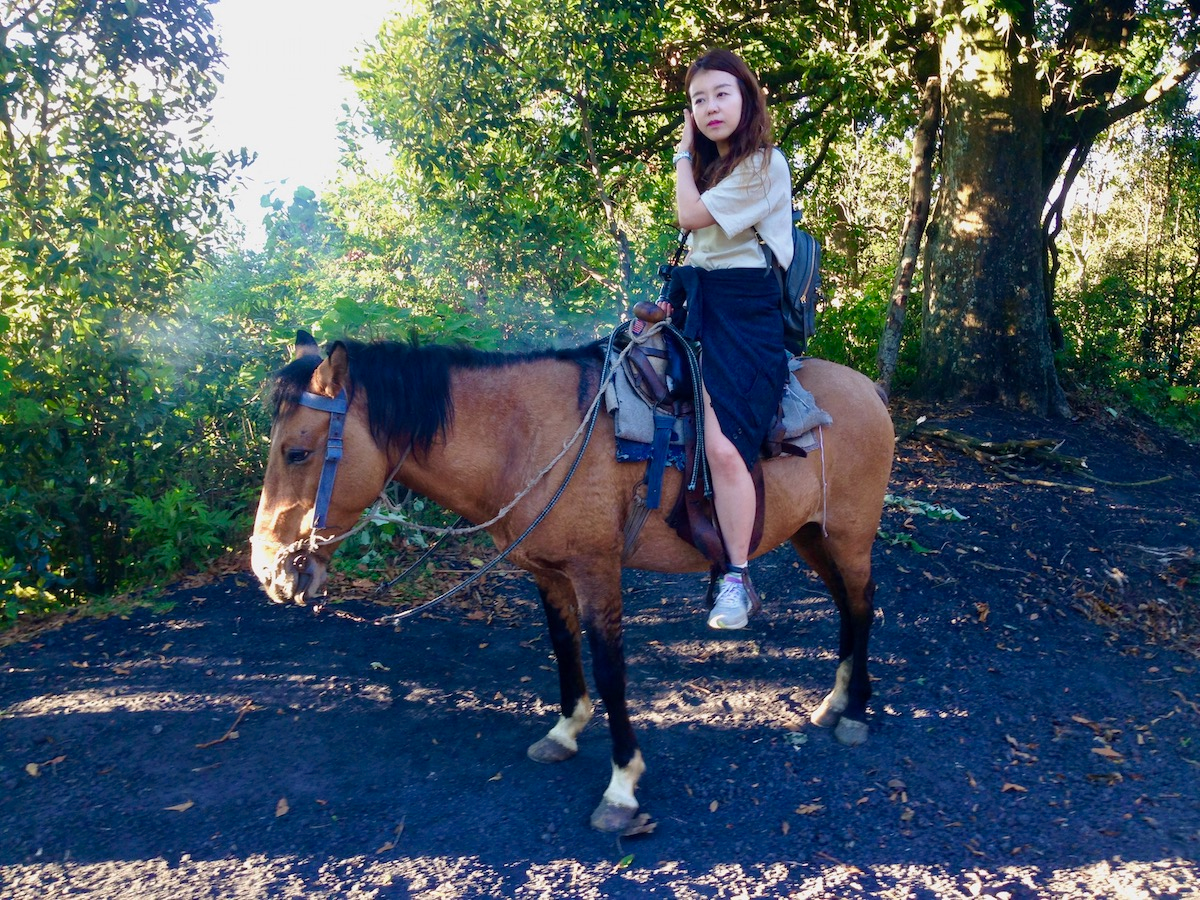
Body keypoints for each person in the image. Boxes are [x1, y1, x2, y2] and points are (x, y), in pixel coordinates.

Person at [664, 48, 794, 629]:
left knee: (722, 444)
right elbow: (699, 247)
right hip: (702, 302)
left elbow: (688, 216)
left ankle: (736, 577)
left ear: (746, 98)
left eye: (721, 94)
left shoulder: (764, 164)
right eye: (698, 100)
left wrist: (682, 152)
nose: (710, 107)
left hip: (744, 314)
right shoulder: (717, 171)